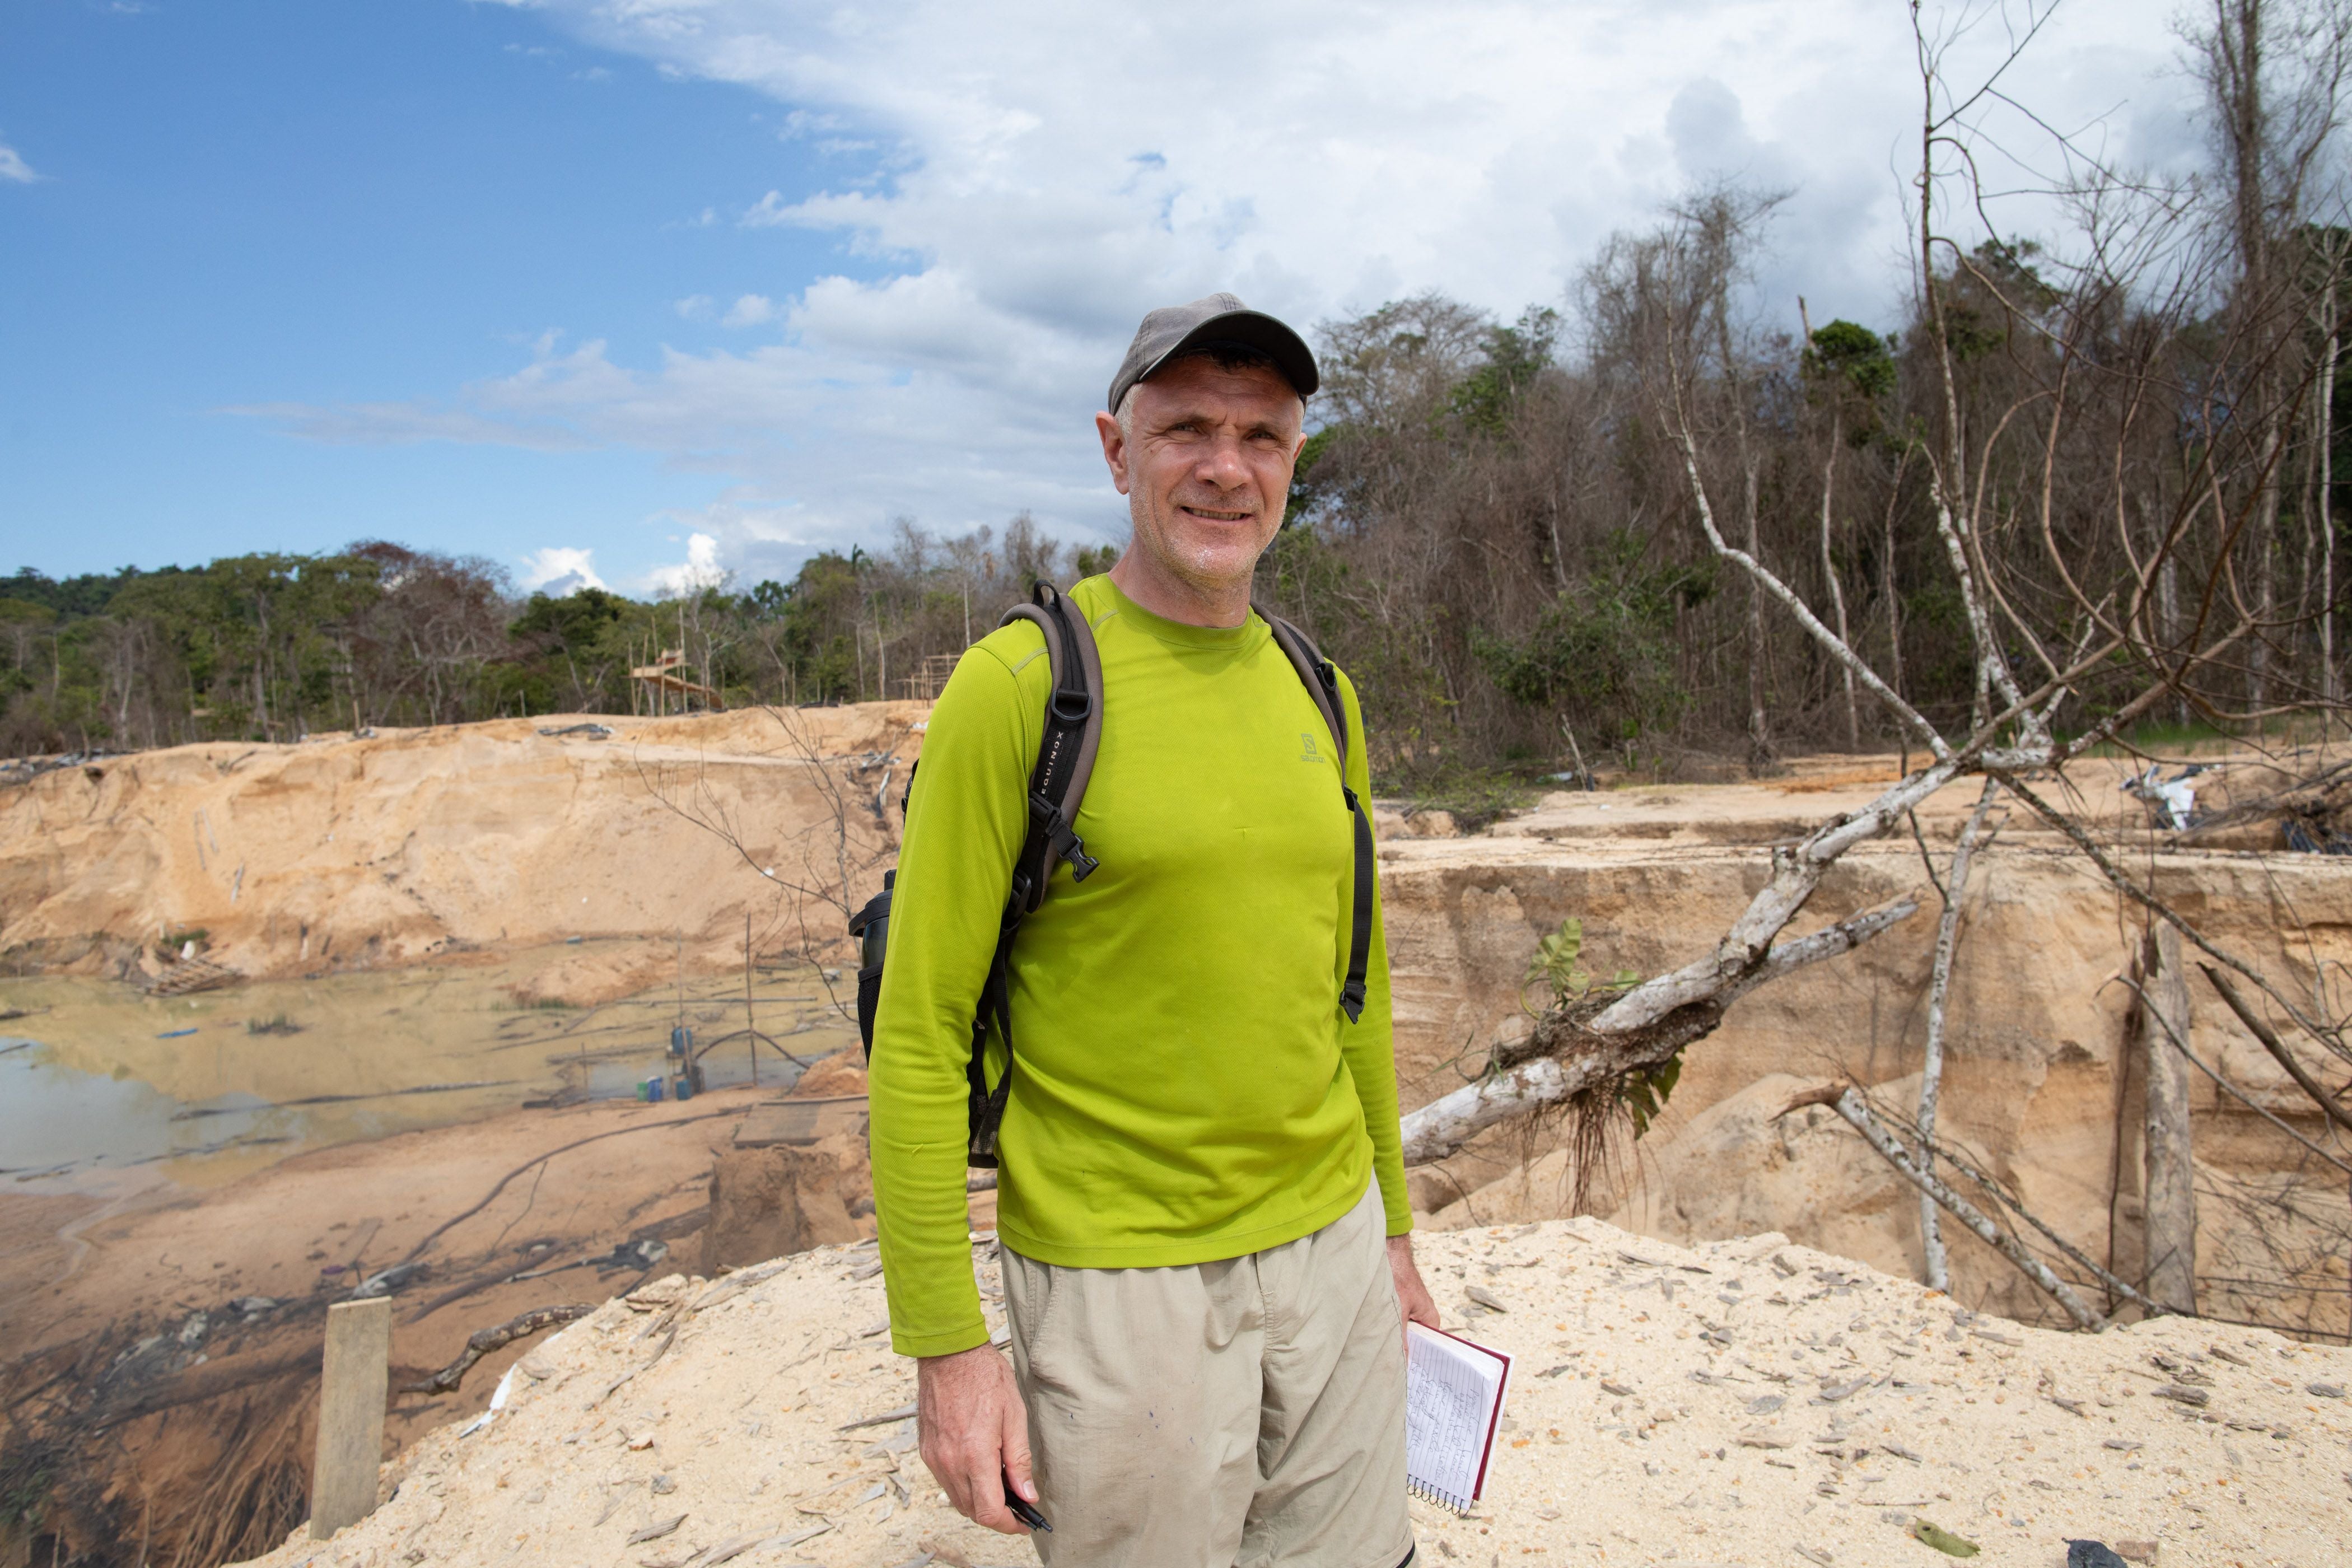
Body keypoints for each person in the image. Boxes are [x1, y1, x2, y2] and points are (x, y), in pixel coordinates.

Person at [867, 293, 1439, 1568]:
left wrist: (1392, 1238)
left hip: (1333, 1250)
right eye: (1186, 428)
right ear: (1117, 451)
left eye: (1263, 435)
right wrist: (950, 1351)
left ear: (1295, 461)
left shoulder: (1321, 691)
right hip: (1119, 1285)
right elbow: (918, 1035)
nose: (1226, 467)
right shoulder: (1019, 689)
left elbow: (1356, 994)